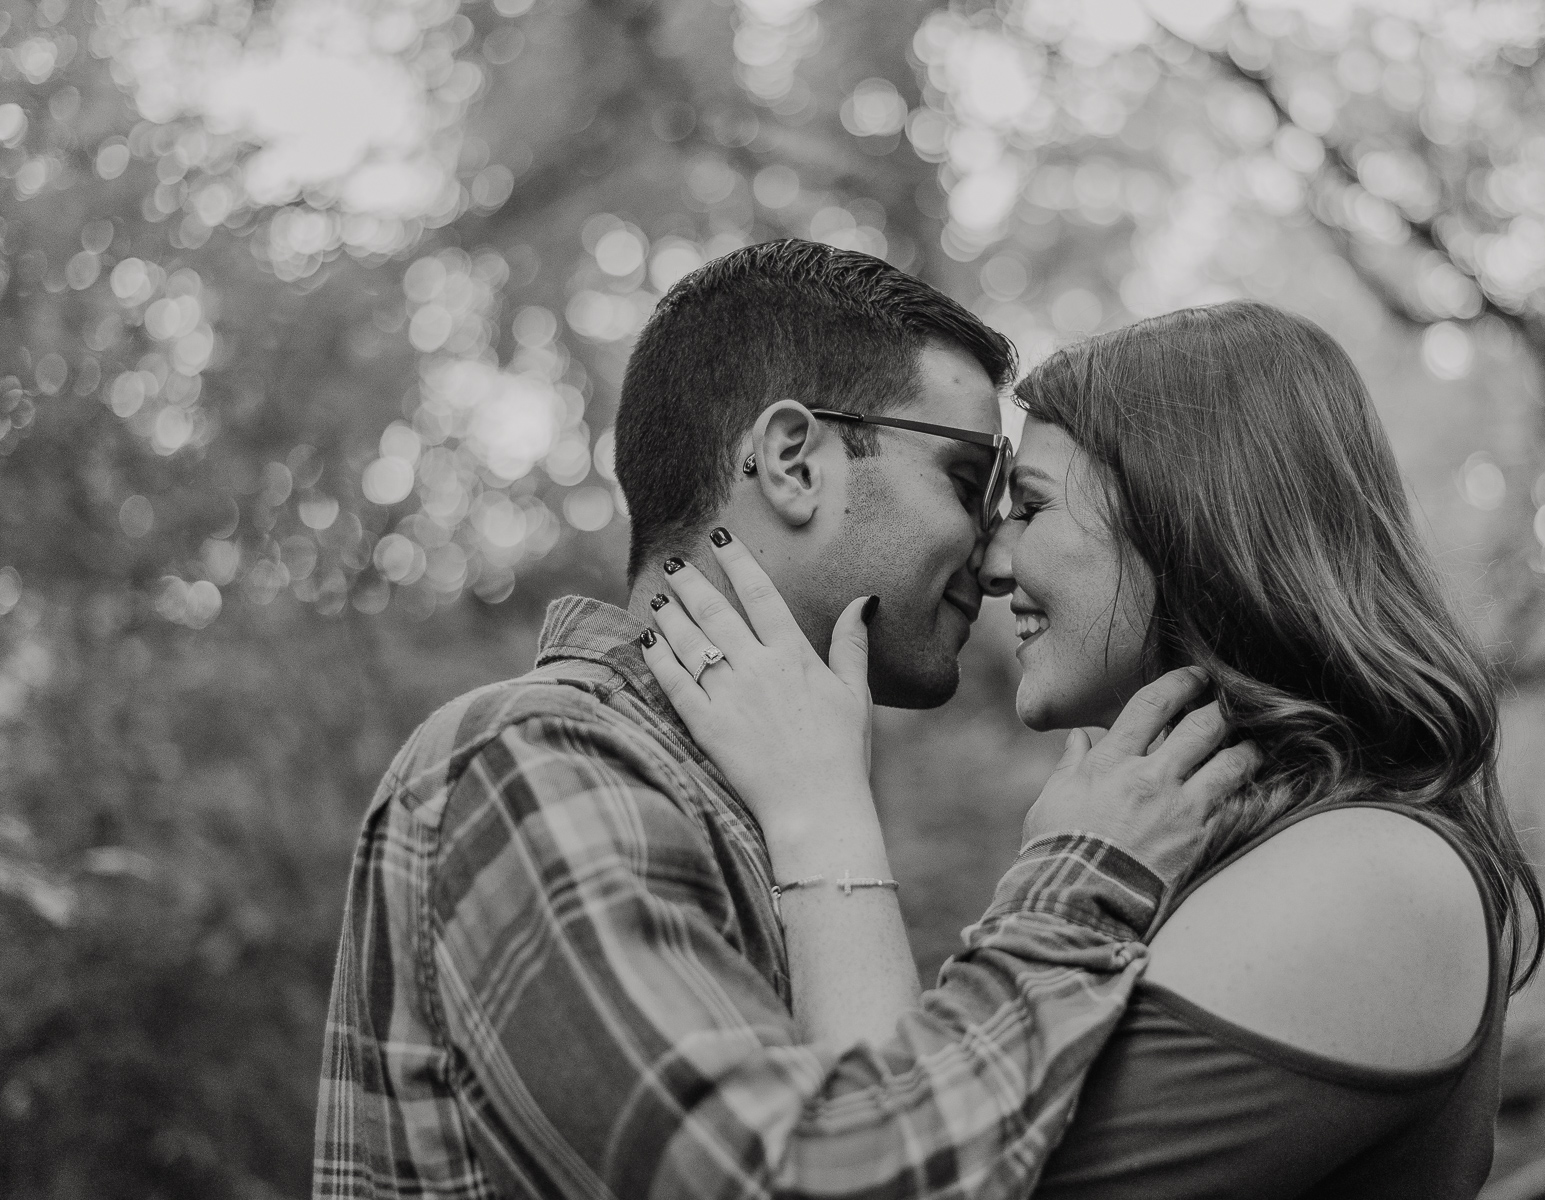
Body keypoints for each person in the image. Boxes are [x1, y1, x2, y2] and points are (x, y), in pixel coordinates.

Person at [311, 240, 1258, 1200]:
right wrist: (1075, 888)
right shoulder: (531, 762)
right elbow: (829, 1182)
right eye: (971, 485)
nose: (997, 547)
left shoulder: (761, 794)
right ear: (795, 461)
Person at [644, 299, 1545, 1199]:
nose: (990, 565)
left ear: (1193, 523)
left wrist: (828, 818)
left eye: (1029, 508)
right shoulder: (1218, 840)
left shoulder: (1368, 874)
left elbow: (886, 1175)